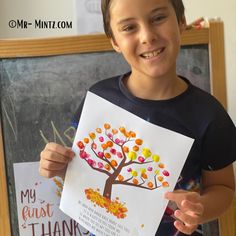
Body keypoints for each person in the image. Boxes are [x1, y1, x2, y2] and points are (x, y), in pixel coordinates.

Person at [39, 0, 236, 235]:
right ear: (114, 41)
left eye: (158, 18)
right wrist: (58, 165)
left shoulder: (209, 115)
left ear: (181, 21)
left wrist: (200, 207)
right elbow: (83, 169)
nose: (147, 36)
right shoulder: (100, 99)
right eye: (129, 27)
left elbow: (224, 188)